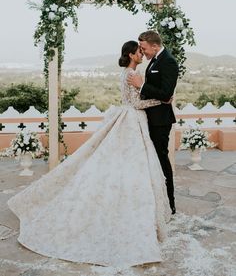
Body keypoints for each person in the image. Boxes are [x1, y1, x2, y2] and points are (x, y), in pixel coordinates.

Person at [8, 41, 171, 268]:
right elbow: (135, 102)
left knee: (128, 164)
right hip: (131, 119)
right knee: (130, 164)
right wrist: (162, 100)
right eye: (139, 51)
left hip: (132, 121)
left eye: (144, 50)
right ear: (131, 54)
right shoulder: (131, 73)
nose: (142, 54)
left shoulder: (130, 71)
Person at [128, 31, 179, 215]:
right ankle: (156, 201)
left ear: (155, 46)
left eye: (144, 48)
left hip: (160, 121)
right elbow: (156, 92)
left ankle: (170, 203)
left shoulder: (169, 62)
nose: (143, 51)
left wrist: (140, 85)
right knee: (153, 161)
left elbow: (166, 93)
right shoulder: (154, 61)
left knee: (161, 160)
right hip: (149, 117)